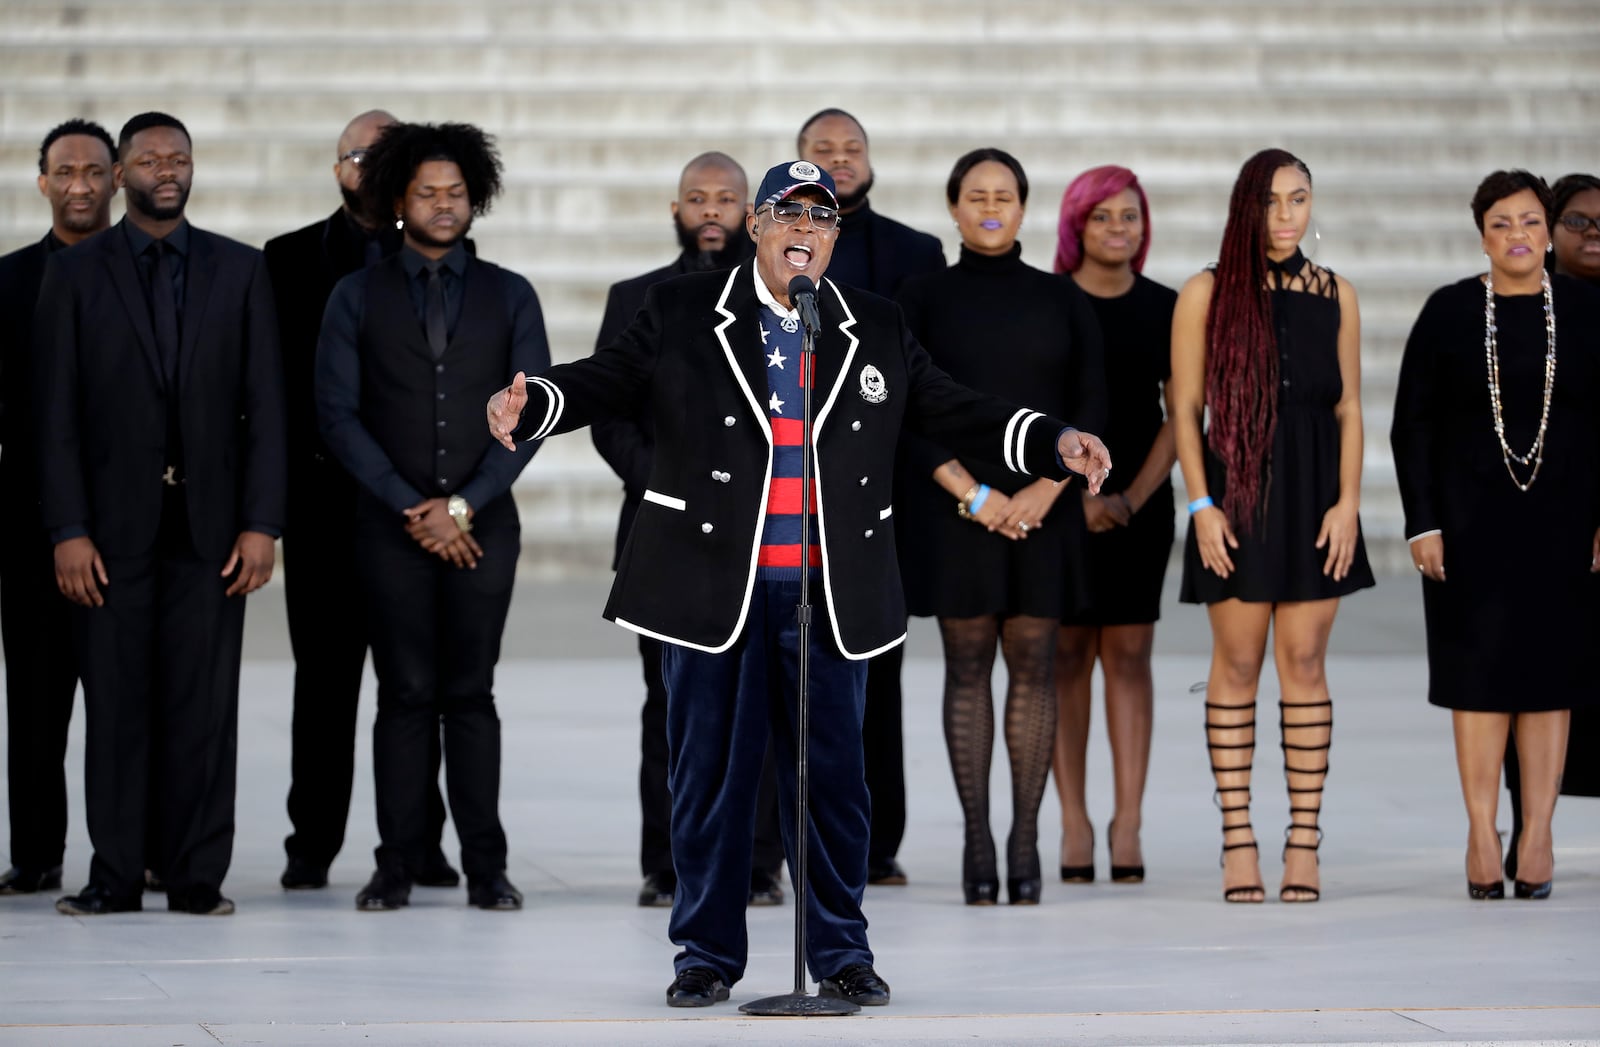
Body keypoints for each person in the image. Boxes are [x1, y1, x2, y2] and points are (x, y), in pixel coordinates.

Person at [487, 160, 1111, 1008]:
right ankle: (704, 955)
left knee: (833, 785)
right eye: (788, 215)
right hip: (714, 586)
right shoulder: (680, 311)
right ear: (757, 225)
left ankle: (842, 952)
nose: (803, 232)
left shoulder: (873, 325)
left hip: (829, 592)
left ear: (835, 237)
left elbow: (953, 405)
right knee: (708, 780)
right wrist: (537, 401)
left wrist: (1052, 440)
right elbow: (606, 380)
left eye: (819, 221)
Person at [36, 112, 287, 916]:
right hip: (107, 536)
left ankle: (194, 878)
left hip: (212, 534)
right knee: (114, 708)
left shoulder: (240, 270)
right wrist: (67, 530)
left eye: (179, 158)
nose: (166, 170)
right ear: (119, 174)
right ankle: (113, 876)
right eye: (149, 159)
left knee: (205, 711)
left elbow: (267, 409)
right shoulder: (75, 275)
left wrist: (262, 523)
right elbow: (56, 417)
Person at [315, 121, 549, 912]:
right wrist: (413, 507)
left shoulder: (511, 293)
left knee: (471, 692)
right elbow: (338, 414)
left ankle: (487, 867)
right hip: (390, 527)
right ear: (397, 201)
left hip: (485, 528)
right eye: (427, 193)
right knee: (405, 694)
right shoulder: (356, 294)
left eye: (455, 192)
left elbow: (531, 414)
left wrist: (462, 505)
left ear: (474, 198)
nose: (443, 205)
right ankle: (397, 864)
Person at [895, 148, 1104, 905]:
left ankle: (1025, 840)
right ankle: (978, 840)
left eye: (1005, 195)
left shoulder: (1063, 299)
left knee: (1036, 667)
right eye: (975, 195)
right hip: (958, 512)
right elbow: (903, 412)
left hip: (1044, 513)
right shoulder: (918, 297)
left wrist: (1045, 491)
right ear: (952, 207)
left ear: (1024, 209)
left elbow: (1092, 406)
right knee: (967, 667)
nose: (991, 206)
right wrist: (974, 494)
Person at [1170, 148, 1373, 904]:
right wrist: (1201, 505)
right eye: (1271, 202)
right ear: (1244, 210)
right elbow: (1185, 410)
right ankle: (1237, 839)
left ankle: (1304, 841)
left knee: (1305, 662)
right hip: (1237, 495)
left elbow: (1349, 407)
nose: (1286, 216)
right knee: (1237, 663)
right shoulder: (1206, 293)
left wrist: (1348, 501)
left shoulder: (1337, 295)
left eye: (1299, 200)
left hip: (1318, 497)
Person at [1390, 169, 1600, 901]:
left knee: (1549, 680)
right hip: (1468, 528)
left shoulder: (1584, 311)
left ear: (1548, 231)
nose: (1519, 236)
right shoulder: (1449, 312)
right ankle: (1482, 831)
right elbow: (1410, 423)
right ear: (1481, 233)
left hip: (1567, 523)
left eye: (1532, 222)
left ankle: (1536, 834)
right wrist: (1423, 522)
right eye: (1503, 223)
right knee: (1478, 683)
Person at [264, 110, 460, 893]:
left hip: (417, 508)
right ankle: (311, 843)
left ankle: (421, 843)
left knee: (421, 683)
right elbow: (272, 392)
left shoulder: (452, 261)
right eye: (361, 155)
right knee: (325, 682)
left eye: (391, 156)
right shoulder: (282, 261)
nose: (374, 168)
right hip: (323, 509)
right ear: (339, 168)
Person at [588, 151, 787, 909]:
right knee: (671, 703)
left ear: (751, 213)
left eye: (727, 198)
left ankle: (760, 864)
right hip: (664, 534)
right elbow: (608, 410)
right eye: (697, 198)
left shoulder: (789, 298)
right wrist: (668, 484)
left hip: (768, 533)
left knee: (765, 703)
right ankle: (669, 862)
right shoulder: (636, 297)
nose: (712, 210)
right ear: (676, 210)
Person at [797, 107, 947, 887]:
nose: (840, 159)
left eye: (852, 147)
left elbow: (926, 387)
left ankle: (875, 842)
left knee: (875, 672)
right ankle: (780, 844)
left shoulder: (917, 254)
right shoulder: (774, 247)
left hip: (885, 497)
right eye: (823, 150)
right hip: (787, 492)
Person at [1050, 165, 1177, 886]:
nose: (1117, 229)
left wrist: (1129, 495)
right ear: (1077, 225)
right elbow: (1037, 409)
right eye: (1102, 217)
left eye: (1129, 216)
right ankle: (1074, 820)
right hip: (1064, 504)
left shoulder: (1167, 305)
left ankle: (1127, 820)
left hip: (1139, 505)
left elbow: (1180, 413)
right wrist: (1081, 498)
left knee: (1130, 658)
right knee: (1066, 659)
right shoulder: (1051, 301)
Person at [0, 119, 116, 897]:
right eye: (64, 171)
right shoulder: (5, 281)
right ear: (42, 182)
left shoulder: (149, 272)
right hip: (31, 528)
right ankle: (37, 853)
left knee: (126, 702)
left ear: (116, 181)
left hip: (134, 524)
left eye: (93, 171)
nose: (79, 184)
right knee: (36, 704)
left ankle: (133, 849)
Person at [1503, 170, 1600, 878]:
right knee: (1531, 679)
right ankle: (1531, 828)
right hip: (1537, 523)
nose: (1592, 234)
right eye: (1577, 221)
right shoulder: (1508, 308)